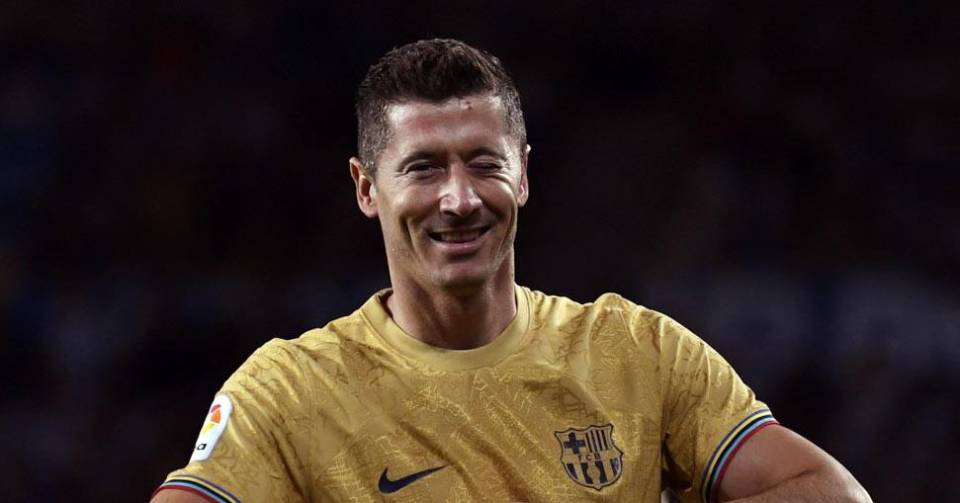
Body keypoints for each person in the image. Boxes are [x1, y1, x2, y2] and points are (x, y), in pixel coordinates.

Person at [151, 39, 871, 503]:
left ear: (522, 175)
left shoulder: (636, 352)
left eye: (483, 163)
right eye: (423, 168)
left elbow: (833, 493)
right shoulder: (290, 392)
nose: (459, 198)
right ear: (367, 188)